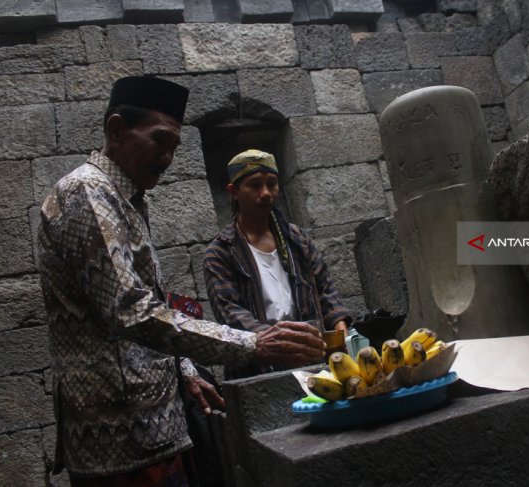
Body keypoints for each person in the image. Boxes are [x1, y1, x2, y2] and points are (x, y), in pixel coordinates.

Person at [37, 77, 325, 486]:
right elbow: (131, 310)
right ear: (116, 130)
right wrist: (254, 343)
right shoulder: (88, 194)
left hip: (155, 421)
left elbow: (145, 300)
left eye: (175, 146)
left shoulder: (125, 198)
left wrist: (184, 368)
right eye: (160, 142)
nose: (168, 158)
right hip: (120, 434)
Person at [204, 149, 352, 379]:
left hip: (314, 360)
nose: (265, 193)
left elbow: (325, 290)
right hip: (259, 369)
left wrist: (340, 327)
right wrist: (281, 342)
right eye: (254, 185)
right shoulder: (221, 252)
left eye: (271, 184)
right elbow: (230, 314)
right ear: (233, 192)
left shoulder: (297, 239)